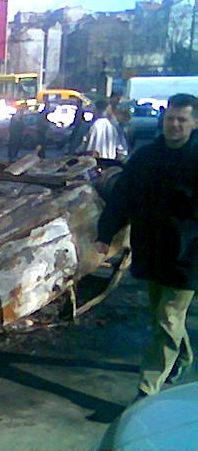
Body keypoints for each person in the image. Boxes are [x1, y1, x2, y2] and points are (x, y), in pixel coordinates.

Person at [96, 93, 198, 400]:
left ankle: (146, 390)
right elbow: (122, 197)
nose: (175, 125)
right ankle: (184, 357)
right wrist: (106, 233)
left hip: (189, 253)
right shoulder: (146, 157)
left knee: (168, 317)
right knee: (161, 317)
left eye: (182, 120)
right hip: (153, 250)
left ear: (194, 122)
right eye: (171, 119)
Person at [86, 99, 128, 165]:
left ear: (95, 109)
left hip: (91, 163)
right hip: (109, 163)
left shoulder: (90, 125)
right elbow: (122, 150)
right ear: (107, 109)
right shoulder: (114, 126)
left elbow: (83, 146)